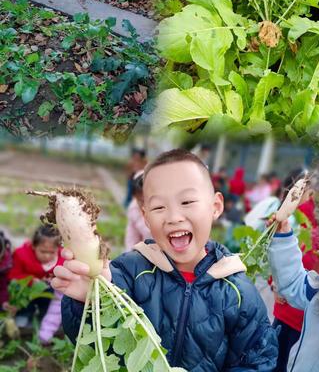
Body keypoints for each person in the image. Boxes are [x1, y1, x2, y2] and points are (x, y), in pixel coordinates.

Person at [54, 149, 278, 371]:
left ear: (215, 207)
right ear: (145, 217)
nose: (173, 217)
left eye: (187, 202)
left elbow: (257, 362)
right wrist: (89, 301)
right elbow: (96, 341)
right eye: (159, 207)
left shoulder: (238, 292)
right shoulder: (128, 272)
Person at [269, 171, 319, 372]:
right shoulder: (293, 220)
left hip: (304, 319)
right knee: (277, 361)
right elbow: (276, 258)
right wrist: (274, 284)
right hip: (288, 314)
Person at [8, 225, 64, 342]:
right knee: (27, 302)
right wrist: (30, 280)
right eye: (43, 251)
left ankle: (43, 318)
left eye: (52, 252)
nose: (47, 256)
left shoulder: (62, 258)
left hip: (49, 291)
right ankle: (24, 314)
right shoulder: (21, 254)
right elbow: (13, 274)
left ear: (58, 249)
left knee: (49, 303)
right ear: (33, 246)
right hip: (28, 290)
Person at [124, 170, 152, 251]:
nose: (145, 206)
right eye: (141, 201)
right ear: (135, 197)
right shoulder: (134, 209)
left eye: (149, 200)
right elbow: (131, 237)